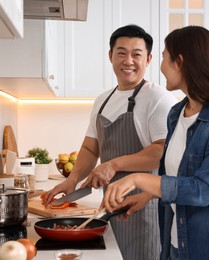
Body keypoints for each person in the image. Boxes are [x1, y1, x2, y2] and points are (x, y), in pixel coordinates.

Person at [102, 26, 209, 260]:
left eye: (165, 58)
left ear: (180, 61)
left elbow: (204, 189)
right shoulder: (177, 113)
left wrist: (137, 178)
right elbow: (181, 174)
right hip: (177, 245)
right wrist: (148, 195)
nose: (161, 66)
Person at [44, 24, 177, 260]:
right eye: (121, 53)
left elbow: (161, 151)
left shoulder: (157, 97)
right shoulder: (103, 100)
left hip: (143, 207)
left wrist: (113, 164)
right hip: (110, 207)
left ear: (148, 59)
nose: (129, 61)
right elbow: (89, 147)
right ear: (110, 56)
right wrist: (73, 180)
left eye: (136, 54)